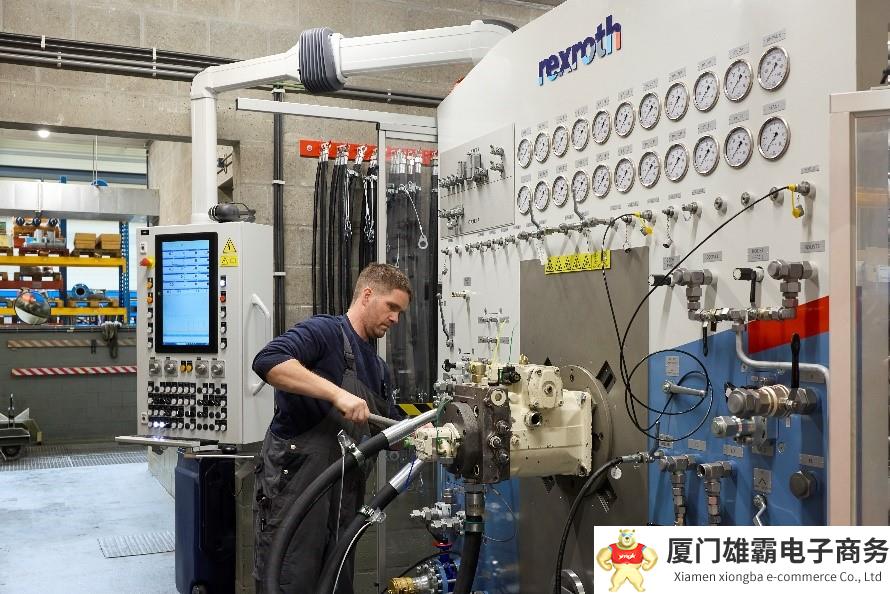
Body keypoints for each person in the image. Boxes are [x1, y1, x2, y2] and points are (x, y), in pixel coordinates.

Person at [251, 263, 411, 594]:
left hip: (344, 499)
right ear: (367, 295)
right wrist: (337, 394)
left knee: (336, 581)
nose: (396, 318)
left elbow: (389, 431)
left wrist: (428, 434)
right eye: (391, 307)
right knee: (289, 579)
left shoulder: (378, 369)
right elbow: (268, 360)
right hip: (297, 489)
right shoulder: (325, 332)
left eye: (400, 312)